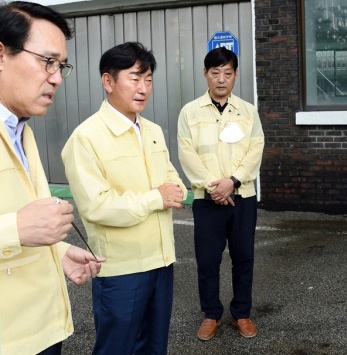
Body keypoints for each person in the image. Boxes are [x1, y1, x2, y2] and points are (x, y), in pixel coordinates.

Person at [61, 41, 186, 355]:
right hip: (121, 269)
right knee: (116, 348)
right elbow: (97, 206)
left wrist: (174, 190)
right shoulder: (86, 138)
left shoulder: (153, 130)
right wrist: (155, 198)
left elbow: (173, 180)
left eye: (148, 79)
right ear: (108, 81)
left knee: (155, 347)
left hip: (162, 261)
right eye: (134, 78)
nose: (143, 88)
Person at [0, 2, 104, 354]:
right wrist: (17, 229)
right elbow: (18, 225)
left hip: (43, 332)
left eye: (61, 66)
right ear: (1, 54)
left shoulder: (20, 128)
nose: (57, 77)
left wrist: (57, 252)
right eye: (47, 62)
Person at [177, 47, 265, 341]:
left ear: (235, 75)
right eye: (215, 73)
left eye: (227, 73)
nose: (221, 79)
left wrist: (234, 181)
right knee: (207, 260)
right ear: (206, 74)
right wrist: (214, 187)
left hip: (243, 197)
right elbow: (187, 153)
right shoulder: (189, 112)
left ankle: (242, 313)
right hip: (207, 200)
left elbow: (255, 150)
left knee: (243, 259)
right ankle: (211, 314)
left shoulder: (248, 111)